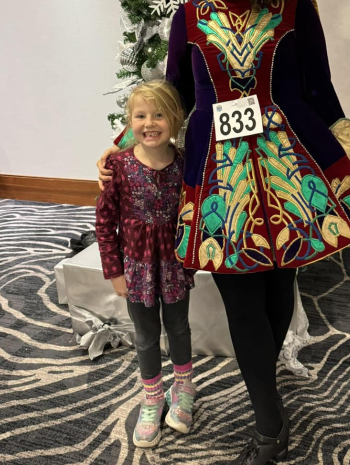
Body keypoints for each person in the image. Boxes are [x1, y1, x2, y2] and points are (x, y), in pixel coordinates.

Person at [98, 0, 350, 465]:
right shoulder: (190, 15)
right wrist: (123, 142)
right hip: (217, 180)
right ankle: (269, 423)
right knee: (240, 300)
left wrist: (343, 157)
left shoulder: (295, 2)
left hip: (291, 174)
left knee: (280, 289)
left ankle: (263, 385)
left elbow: (318, 87)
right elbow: (172, 94)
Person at [95, 80, 196, 449]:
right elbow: (104, 221)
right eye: (140, 115)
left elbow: (195, 215)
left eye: (159, 115)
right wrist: (114, 270)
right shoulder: (118, 166)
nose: (149, 123)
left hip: (174, 265)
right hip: (135, 268)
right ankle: (153, 396)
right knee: (145, 335)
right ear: (129, 121)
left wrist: (192, 262)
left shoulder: (186, 163)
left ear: (176, 119)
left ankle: (184, 387)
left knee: (179, 327)